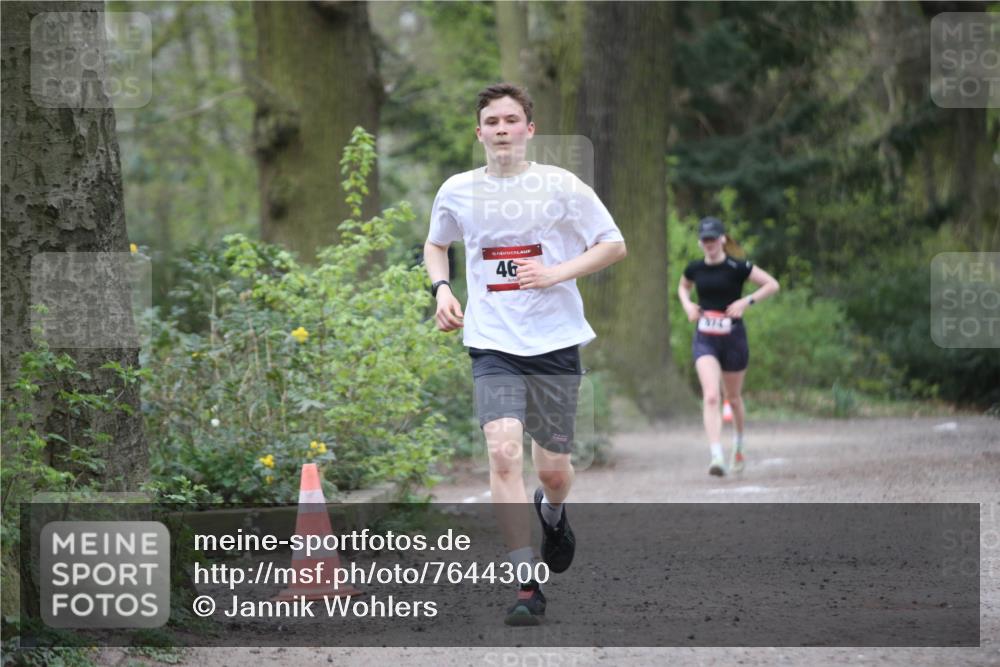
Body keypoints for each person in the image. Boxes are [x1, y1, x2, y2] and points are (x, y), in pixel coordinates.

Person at [423, 83, 626, 625]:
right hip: (492, 342)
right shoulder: (459, 191)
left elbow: (613, 243)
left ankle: (553, 513)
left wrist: (556, 272)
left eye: (512, 120)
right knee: (503, 454)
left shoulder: (561, 186)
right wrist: (442, 290)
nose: (502, 129)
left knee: (553, 471)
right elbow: (436, 243)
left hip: (555, 341)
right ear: (480, 132)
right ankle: (525, 583)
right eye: (492, 121)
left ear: (529, 129)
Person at [678, 217, 779, 477]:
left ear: (723, 239)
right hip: (705, 337)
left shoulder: (738, 267)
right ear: (700, 242)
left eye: (714, 238)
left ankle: (738, 443)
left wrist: (746, 302)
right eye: (705, 239)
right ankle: (716, 456)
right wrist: (689, 306)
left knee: (732, 398)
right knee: (711, 395)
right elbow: (683, 287)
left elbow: (771, 284)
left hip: (733, 337)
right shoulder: (694, 268)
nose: (709, 243)